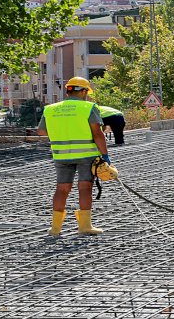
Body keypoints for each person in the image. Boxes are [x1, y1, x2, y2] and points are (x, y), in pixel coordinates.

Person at [37, 77, 112, 237]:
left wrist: (63, 131)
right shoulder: (89, 107)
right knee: (84, 188)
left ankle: (55, 229)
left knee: (62, 189)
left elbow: (41, 131)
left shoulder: (50, 109)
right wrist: (105, 156)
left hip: (61, 155)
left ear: (68, 90)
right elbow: (97, 133)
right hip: (87, 155)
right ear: (84, 91)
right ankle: (85, 226)